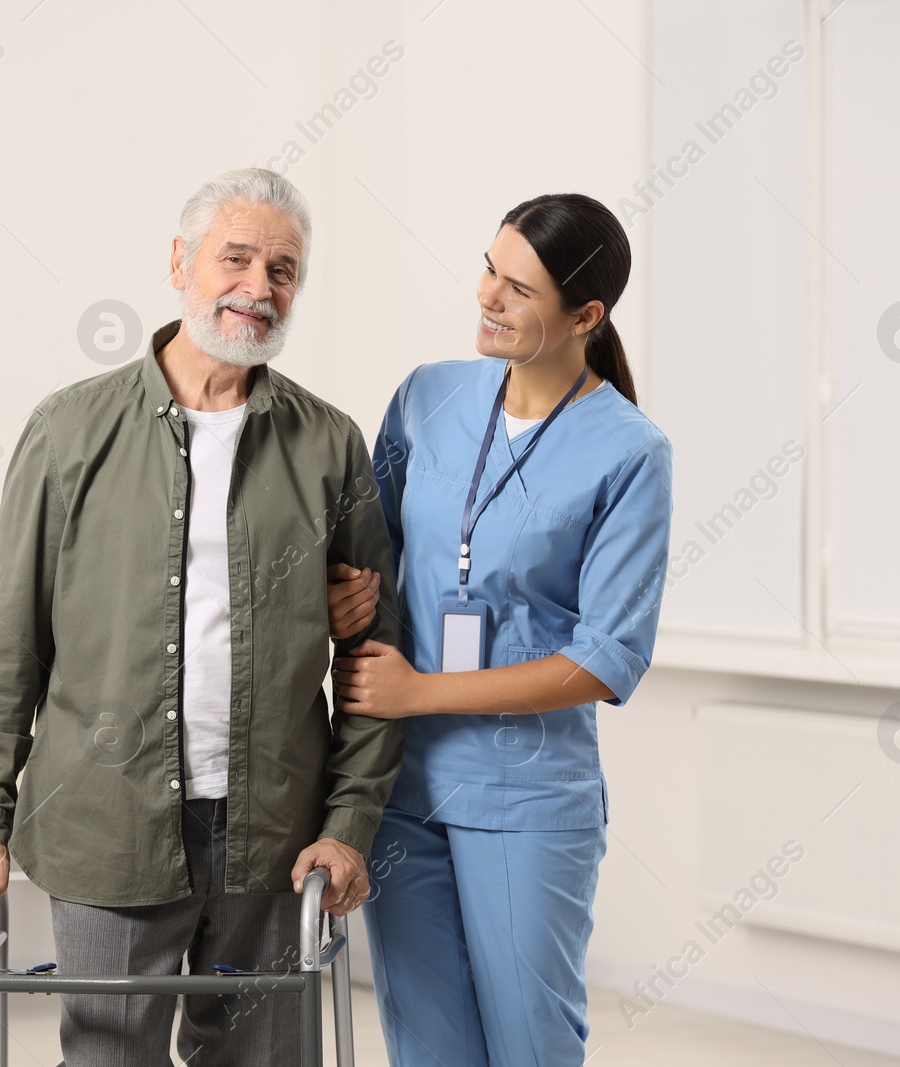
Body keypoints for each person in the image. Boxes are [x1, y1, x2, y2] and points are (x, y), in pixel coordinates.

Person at [0, 168, 403, 1066]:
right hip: (105, 823)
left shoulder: (329, 443)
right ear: (180, 261)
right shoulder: (68, 430)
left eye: (283, 268)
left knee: (264, 1059)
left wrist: (348, 826)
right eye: (236, 257)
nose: (258, 287)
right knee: (110, 1056)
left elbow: (372, 652)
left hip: (275, 829)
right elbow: (13, 645)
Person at [329, 193, 673, 1066]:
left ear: (584, 316)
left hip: (526, 799)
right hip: (404, 791)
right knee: (429, 1046)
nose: (487, 295)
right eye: (488, 267)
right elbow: (374, 550)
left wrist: (421, 691)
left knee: (529, 1044)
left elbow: (607, 656)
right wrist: (347, 598)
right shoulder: (428, 397)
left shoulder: (630, 450)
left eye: (518, 288)